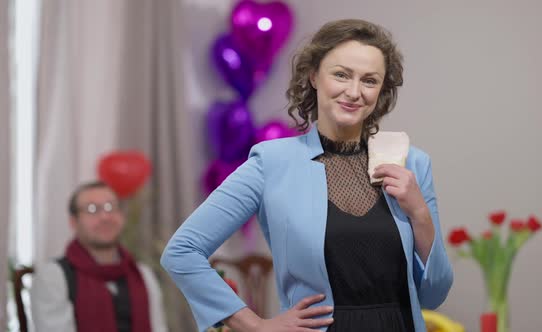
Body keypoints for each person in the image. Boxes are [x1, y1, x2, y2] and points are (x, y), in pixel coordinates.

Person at [161, 18, 453, 332]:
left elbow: (434, 294)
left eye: (369, 80)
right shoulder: (271, 162)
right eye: (341, 75)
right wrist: (254, 325)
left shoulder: (413, 164)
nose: (354, 92)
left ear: (382, 89)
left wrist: (420, 214)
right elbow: (182, 252)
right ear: (314, 75)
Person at [31, 181, 168, 332]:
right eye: (92, 209)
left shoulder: (143, 275)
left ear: (121, 217)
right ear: (73, 222)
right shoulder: (54, 277)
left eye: (111, 207)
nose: (105, 216)